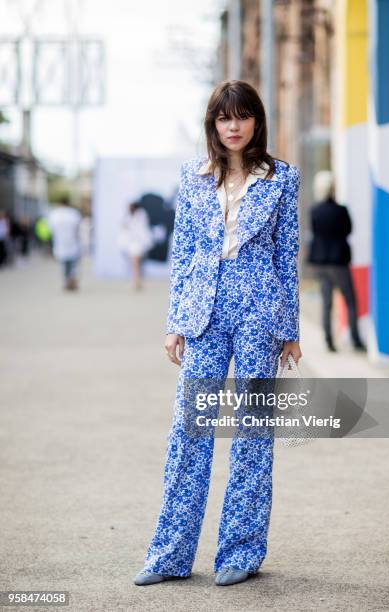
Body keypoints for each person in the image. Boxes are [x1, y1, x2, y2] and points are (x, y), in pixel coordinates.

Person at [133, 80, 302, 588]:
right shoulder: (193, 176)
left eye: (242, 117)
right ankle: (169, 554)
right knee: (190, 429)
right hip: (203, 313)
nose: (232, 127)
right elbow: (183, 252)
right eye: (223, 118)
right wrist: (175, 322)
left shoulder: (282, 179)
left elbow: (286, 254)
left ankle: (241, 551)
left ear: (256, 121)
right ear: (213, 123)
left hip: (258, 311)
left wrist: (289, 329)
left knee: (253, 429)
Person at [307, 170, 366, 352]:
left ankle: (329, 341)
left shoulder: (314, 211)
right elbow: (348, 230)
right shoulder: (341, 210)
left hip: (320, 263)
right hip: (339, 261)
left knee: (326, 303)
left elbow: (315, 231)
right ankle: (355, 340)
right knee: (350, 301)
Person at [47, 195, 82, 291]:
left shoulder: (54, 214)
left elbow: (51, 230)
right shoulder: (74, 213)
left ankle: (67, 280)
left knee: (64, 263)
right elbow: (77, 229)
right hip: (72, 241)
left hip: (60, 242)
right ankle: (71, 280)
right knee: (72, 263)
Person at [117, 202, 153, 291]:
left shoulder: (140, 215)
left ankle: (136, 282)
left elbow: (136, 229)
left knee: (135, 264)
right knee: (136, 265)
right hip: (134, 243)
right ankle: (138, 282)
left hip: (137, 243)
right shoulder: (131, 216)